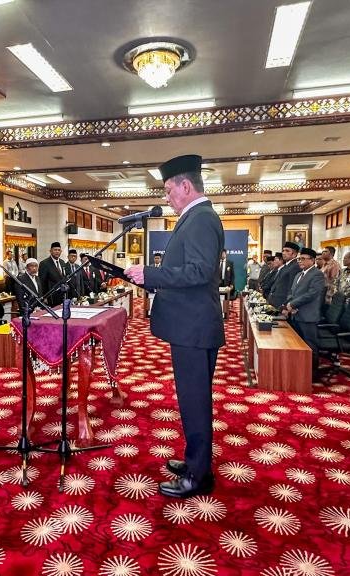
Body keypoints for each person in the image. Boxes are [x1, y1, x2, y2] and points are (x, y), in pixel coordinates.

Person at [126, 154, 224, 499]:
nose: (166, 197)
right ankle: (195, 460)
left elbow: (198, 272)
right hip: (190, 326)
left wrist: (150, 274)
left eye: (168, 190)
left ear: (185, 186)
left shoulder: (201, 218)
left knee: (195, 401)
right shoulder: (195, 216)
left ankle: (198, 476)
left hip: (193, 328)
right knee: (191, 399)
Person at [283, 248, 326, 377]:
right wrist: (289, 305)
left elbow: (312, 294)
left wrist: (293, 304)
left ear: (312, 260)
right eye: (299, 259)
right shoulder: (298, 274)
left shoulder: (317, 274)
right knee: (298, 344)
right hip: (295, 314)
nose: (300, 261)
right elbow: (292, 292)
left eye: (303, 259)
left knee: (310, 345)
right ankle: (300, 372)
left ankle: (312, 373)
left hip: (308, 316)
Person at [266, 241, 300, 308]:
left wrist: (285, 306)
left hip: (282, 303)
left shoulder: (295, 266)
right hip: (275, 301)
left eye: (287, 251)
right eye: (283, 250)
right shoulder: (286, 266)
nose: (284, 253)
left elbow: (291, 289)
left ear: (294, 254)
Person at [38, 241, 67, 306]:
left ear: (61, 251)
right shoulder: (44, 263)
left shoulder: (62, 262)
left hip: (62, 295)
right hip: (51, 297)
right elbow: (42, 282)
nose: (57, 252)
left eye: (59, 250)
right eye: (55, 250)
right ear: (50, 251)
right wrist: (44, 297)